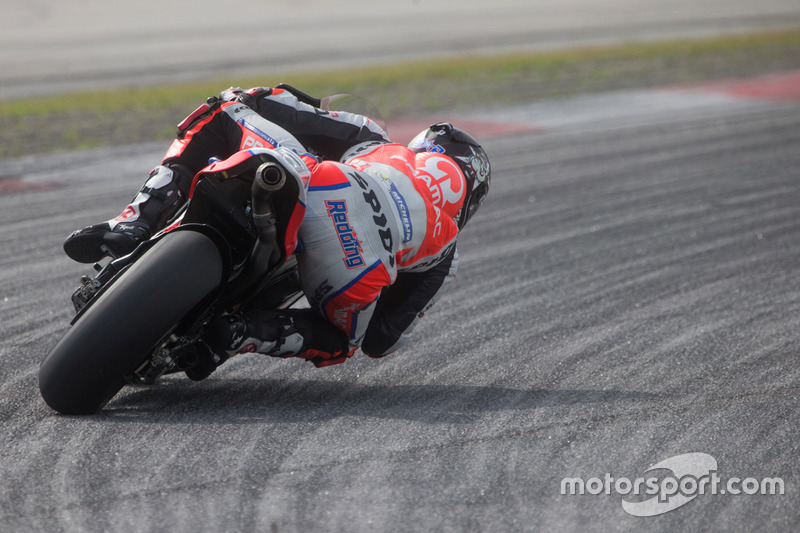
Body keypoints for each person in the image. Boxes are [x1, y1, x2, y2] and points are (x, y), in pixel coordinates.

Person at [63, 85, 491, 376]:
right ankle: (238, 335)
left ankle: (135, 219)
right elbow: (382, 339)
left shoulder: (379, 140)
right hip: (361, 265)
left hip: (323, 183)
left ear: (426, 146)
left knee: (227, 105)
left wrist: (280, 94)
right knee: (344, 340)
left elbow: (271, 103)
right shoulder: (447, 246)